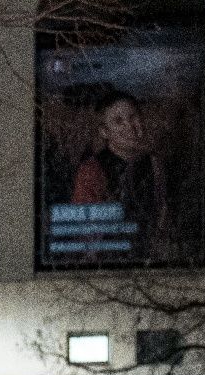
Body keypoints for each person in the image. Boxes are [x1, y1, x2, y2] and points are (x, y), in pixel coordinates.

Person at [71, 91, 170, 260]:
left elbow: (162, 211)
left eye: (133, 117)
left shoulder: (154, 163)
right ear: (105, 132)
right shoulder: (92, 170)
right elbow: (84, 232)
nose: (130, 126)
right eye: (118, 121)